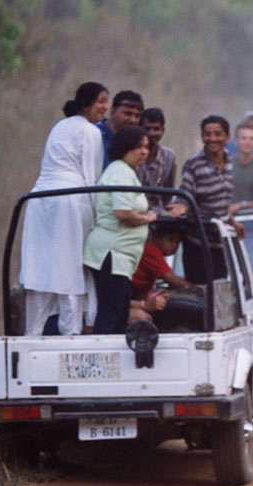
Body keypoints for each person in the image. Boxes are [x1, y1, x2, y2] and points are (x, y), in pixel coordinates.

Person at [20, 81, 109, 335]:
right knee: (69, 269)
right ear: (87, 103)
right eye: (101, 101)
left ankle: (32, 336)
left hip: (39, 199)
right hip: (69, 200)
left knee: (41, 269)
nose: (105, 107)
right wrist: (96, 221)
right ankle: (71, 335)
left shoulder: (60, 126)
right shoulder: (90, 131)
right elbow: (91, 177)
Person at [84, 125, 157, 334]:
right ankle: (101, 360)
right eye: (139, 147)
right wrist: (148, 217)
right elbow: (123, 213)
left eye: (146, 147)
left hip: (120, 256)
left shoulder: (126, 172)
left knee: (117, 312)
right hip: (112, 253)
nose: (144, 152)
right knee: (112, 313)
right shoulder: (120, 172)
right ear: (125, 147)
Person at [127, 223, 195, 325]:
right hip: (125, 300)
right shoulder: (150, 250)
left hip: (133, 297)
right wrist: (194, 288)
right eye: (170, 240)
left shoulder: (155, 253)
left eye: (177, 242)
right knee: (143, 318)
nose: (174, 246)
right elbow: (171, 278)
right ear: (156, 238)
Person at [180, 115, 235, 222]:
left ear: (227, 137)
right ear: (202, 137)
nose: (212, 139)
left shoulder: (231, 162)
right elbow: (184, 196)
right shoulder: (193, 164)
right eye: (207, 134)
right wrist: (180, 207)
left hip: (225, 230)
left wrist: (233, 222)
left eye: (218, 134)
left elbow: (227, 201)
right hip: (201, 231)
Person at [137, 107, 178, 211]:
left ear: (163, 130)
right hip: (135, 210)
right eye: (147, 128)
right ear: (139, 128)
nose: (152, 133)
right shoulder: (132, 154)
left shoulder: (169, 156)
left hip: (158, 213)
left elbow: (168, 191)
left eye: (156, 129)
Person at [96, 90, 143, 168]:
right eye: (128, 113)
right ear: (113, 111)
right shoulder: (95, 134)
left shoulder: (135, 144)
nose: (133, 120)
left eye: (137, 116)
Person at [230, 122, 253, 213]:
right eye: (243, 138)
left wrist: (242, 205)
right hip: (232, 217)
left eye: (252, 139)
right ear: (236, 141)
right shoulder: (226, 165)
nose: (248, 142)